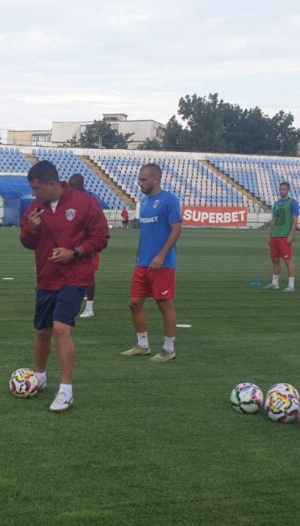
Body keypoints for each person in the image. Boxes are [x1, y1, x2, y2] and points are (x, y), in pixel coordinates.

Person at [20, 160, 110, 413]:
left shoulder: (85, 203)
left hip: (75, 277)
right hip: (46, 278)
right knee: (42, 331)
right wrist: (31, 228)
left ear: (52, 184)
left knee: (61, 328)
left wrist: (75, 252)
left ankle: (66, 390)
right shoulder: (35, 208)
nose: (34, 194)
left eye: (37, 189)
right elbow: (26, 242)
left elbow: (102, 237)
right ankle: (40, 377)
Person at [121, 163, 182, 363]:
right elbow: (144, 234)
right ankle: (143, 345)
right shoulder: (144, 203)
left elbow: (176, 230)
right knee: (134, 303)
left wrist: (162, 255)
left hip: (162, 264)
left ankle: (169, 349)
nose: (139, 183)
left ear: (156, 179)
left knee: (164, 304)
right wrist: (139, 256)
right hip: (143, 262)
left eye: (143, 179)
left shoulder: (169, 200)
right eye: (139, 179)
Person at [68, 174, 103, 318]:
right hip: (75, 244)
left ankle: (89, 307)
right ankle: (74, 303)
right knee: (72, 274)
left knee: (89, 276)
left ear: (76, 186)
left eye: (70, 186)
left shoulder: (90, 201)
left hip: (89, 245)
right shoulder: (74, 199)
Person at [266, 181, 298, 292]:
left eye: (283, 189)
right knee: (274, 259)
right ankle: (275, 283)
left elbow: (295, 220)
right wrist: (269, 235)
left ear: (288, 190)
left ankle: (291, 285)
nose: (281, 191)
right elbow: (273, 220)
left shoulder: (292, 202)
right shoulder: (276, 203)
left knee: (288, 260)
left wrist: (291, 235)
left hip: (285, 236)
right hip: (275, 236)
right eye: (280, 189)